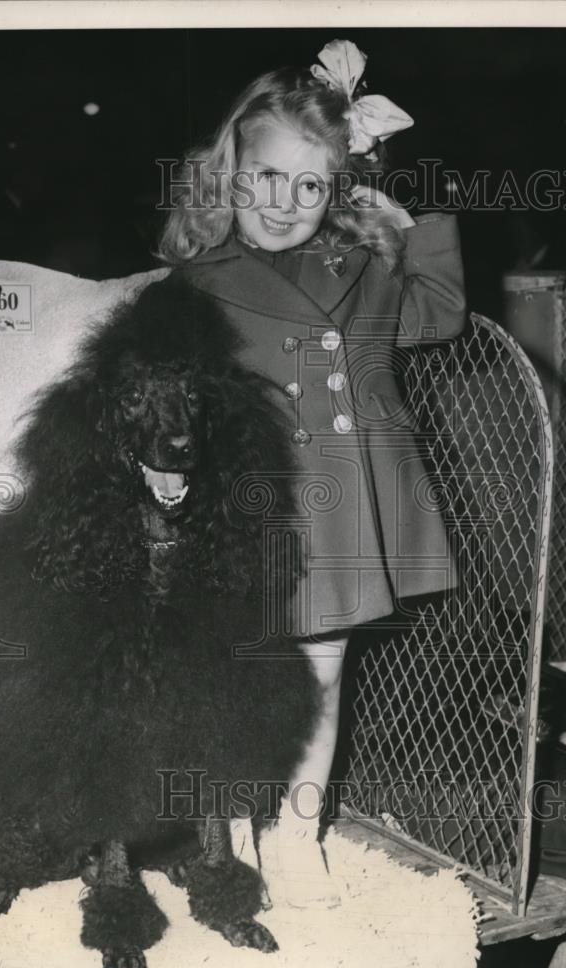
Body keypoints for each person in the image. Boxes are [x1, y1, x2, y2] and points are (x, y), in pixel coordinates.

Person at [157, 39, 466, 905]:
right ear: (230, 170)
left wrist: (402, 219)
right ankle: (222, 839)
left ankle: (297, 834)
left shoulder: (361, 265)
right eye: (265, 176)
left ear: (338, 189)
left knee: (322, 677)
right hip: (244, 512)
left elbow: (438, 317)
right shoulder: (196, 280)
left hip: (338, 518)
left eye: (310, 184)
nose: (284, 202)